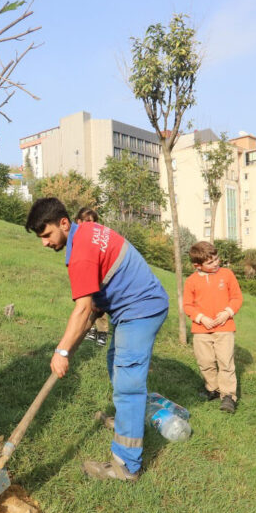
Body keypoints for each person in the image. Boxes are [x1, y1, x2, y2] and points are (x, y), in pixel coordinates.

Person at [26, 197, 169, 482]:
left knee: (128, 382)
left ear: (64, 223)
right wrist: (80, 330)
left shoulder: (81, 253)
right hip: (135, 304)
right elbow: (97, 295)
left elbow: (81, 309)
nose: (44, 243)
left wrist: (62, 352)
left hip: (140, 309)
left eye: (46, 235)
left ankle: (126, 466)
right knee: (116, 360)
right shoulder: (89, 232)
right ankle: (128, 421)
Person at [182, 241, 243, 413]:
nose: (216, 263)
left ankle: (228, 396)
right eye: (210, 262)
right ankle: (213, 389)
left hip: (225, 328)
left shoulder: (227, 274)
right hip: (201, 330)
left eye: (216, 259)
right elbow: (187, 305)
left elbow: (237, 298)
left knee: (225, 362)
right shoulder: (191, 281)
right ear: (197, 265)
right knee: (205, 362)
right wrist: (200, 318)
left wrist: (228, 312)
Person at [74, 207, 109, 347]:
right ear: (79, 222)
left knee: (99, 304)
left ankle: (103, 332)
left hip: (99, 277)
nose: (92, 225)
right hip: (86, 275)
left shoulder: (97, 238)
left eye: (94, 222)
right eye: (88, 222)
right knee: (86, 303)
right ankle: (91, 329)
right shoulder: (77, 238)